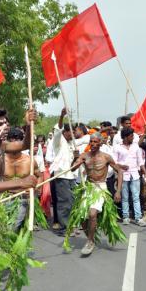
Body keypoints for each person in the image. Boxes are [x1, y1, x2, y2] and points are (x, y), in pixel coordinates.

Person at [71, 132, 123, 255]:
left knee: (92, 213)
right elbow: (72, 168)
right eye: (91, 141)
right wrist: (75, 158)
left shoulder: (106, 157)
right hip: (88, 187)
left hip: (100, 187)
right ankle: (92, 238)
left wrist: (118, 191)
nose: (93, 144)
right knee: (83, 218)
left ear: (100, 143)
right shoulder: (84, 156)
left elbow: (119, 172)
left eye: (95, 142)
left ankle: (89, 241)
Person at [3, 128, 41, 231]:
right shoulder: (1, 160)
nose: (15, 144)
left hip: (22, 199)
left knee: (13, 226)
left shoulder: (29, 160)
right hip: (4, 198)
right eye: (12, 140)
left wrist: (35, 188)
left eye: (18, 140)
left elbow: (39, 175)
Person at [113, 127, 146, 226]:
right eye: (131, 136)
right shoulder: (117, 147)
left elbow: (140, 162)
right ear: (126, 137)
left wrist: (145, 173)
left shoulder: (136, 147)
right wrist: (121, 166)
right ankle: (126, 217)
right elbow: (114, 162)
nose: (133, 137)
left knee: (136, 197)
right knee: (124, 197)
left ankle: (138, 218)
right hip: (123, 176)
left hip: (135, 175)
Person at [51, 108, 76, 236]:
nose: (73, 134)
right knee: (64, 202)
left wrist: (76, 157)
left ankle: (69, 226)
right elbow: (58, 129)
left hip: (70, 176)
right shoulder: (58, 141)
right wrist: (61, 116)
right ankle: (63, 228)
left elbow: (72, 165)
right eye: (72, 132)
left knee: (71, 202)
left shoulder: (71, 145)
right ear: (66, 132)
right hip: (61, 176)